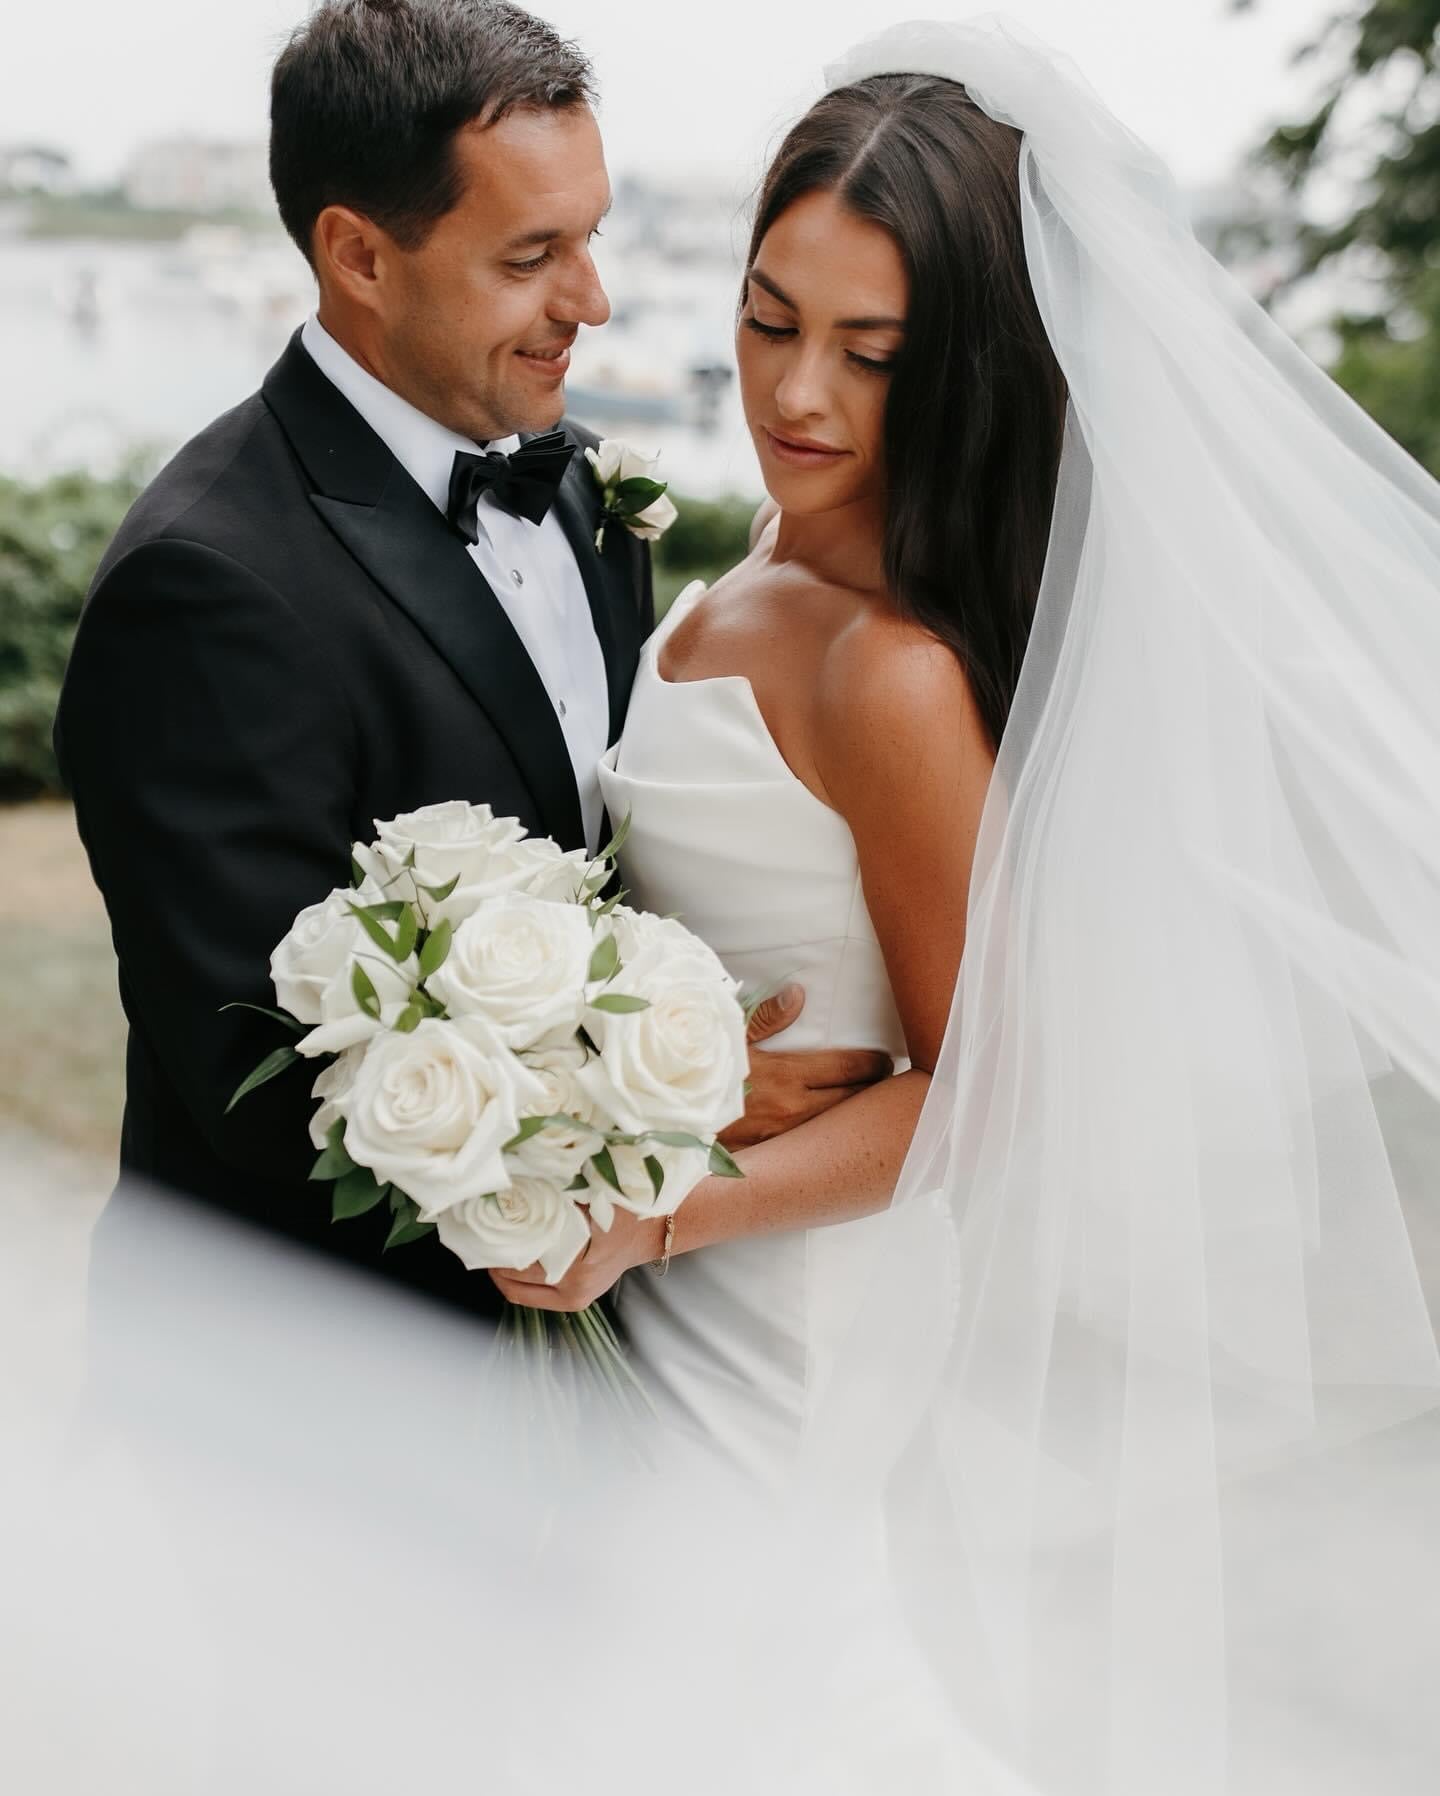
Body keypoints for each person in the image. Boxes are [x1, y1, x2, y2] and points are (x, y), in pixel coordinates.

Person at [493, 21, 1440, 1793]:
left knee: (769, 1688)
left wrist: (663, 1209)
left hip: (776, 1301)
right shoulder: (788, 550)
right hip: (706, 1257)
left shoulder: (894, 674)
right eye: (771, 318)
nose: (797, 399)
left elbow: (1003, 1083)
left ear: (972, 372)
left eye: (871, 356)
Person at [52, 0, 888, 1318]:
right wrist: (661, 1102)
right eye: (532, 255)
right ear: (360, 257)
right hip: (322, 1386)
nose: (593, 301)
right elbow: (260, 1081)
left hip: (617, 1345)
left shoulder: (574, 495)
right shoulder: (205, 585)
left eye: (593, 236)